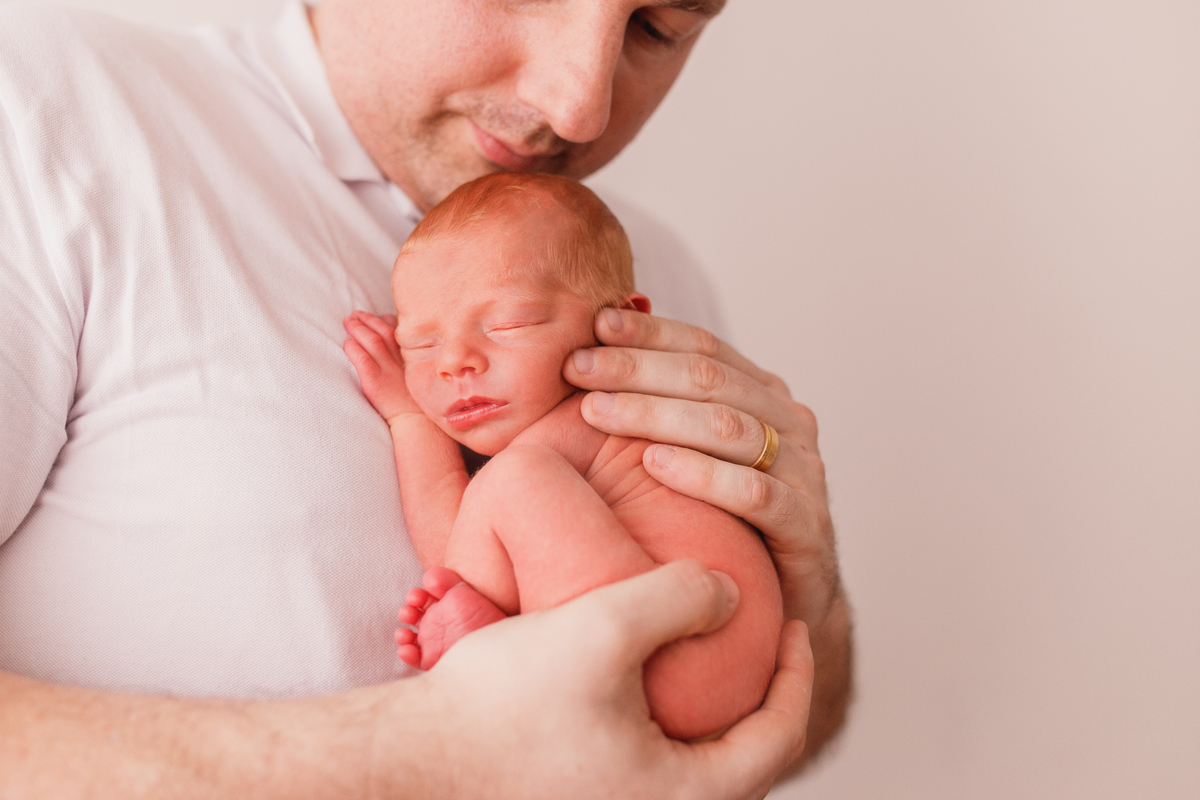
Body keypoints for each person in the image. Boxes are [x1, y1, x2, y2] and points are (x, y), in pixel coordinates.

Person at [0, 0, 851, 795]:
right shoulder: (49, 110)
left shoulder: (647, 283)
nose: (577, 103)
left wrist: (813, 599)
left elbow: (759, 743)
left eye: (658, 26)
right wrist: (424, 752)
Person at [343, 172, 784, 740]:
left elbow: (454, 542)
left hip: (675, 648)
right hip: (705, 674)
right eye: (419, 345)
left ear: (621, 327)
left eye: (508, 324)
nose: (454, 362)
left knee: (513, 478)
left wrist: (407, 416)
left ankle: (494, 642)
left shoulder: (597, 414)